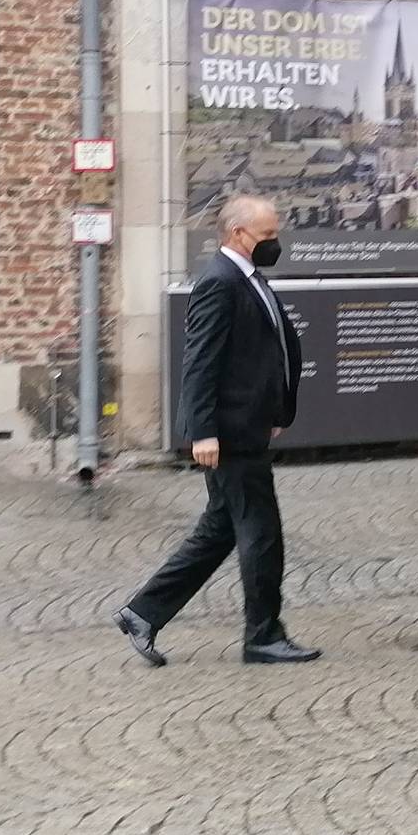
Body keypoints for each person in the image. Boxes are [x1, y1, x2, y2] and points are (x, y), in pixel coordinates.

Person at [115, 195, 319, 667]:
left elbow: (264, 351)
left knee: (220, 529)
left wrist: (275, 411)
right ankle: (263, 636)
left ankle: (142, 613)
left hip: (247, 425)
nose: (275, 242)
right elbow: (200, 362)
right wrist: (203, 432)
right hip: (230, 434)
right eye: (267, 235)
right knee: (262, 534)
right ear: (238, 234)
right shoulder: (219, 282)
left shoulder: (247, 277)